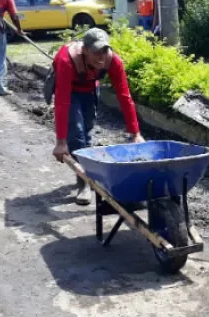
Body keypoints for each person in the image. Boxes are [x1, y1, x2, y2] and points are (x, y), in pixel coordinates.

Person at [51, 28, 145, 205]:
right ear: (85, 50)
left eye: (104, 50)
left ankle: (85, 169)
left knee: (86, 130)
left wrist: (135, 133)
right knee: (76, 134)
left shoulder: (113, 61)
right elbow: (62, 102)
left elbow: (124, 96)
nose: (101, 56)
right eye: (96, 52)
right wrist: (61, 142)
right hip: (69, 92)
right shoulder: (67, 60)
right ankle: (84, 183)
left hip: (89, 88)